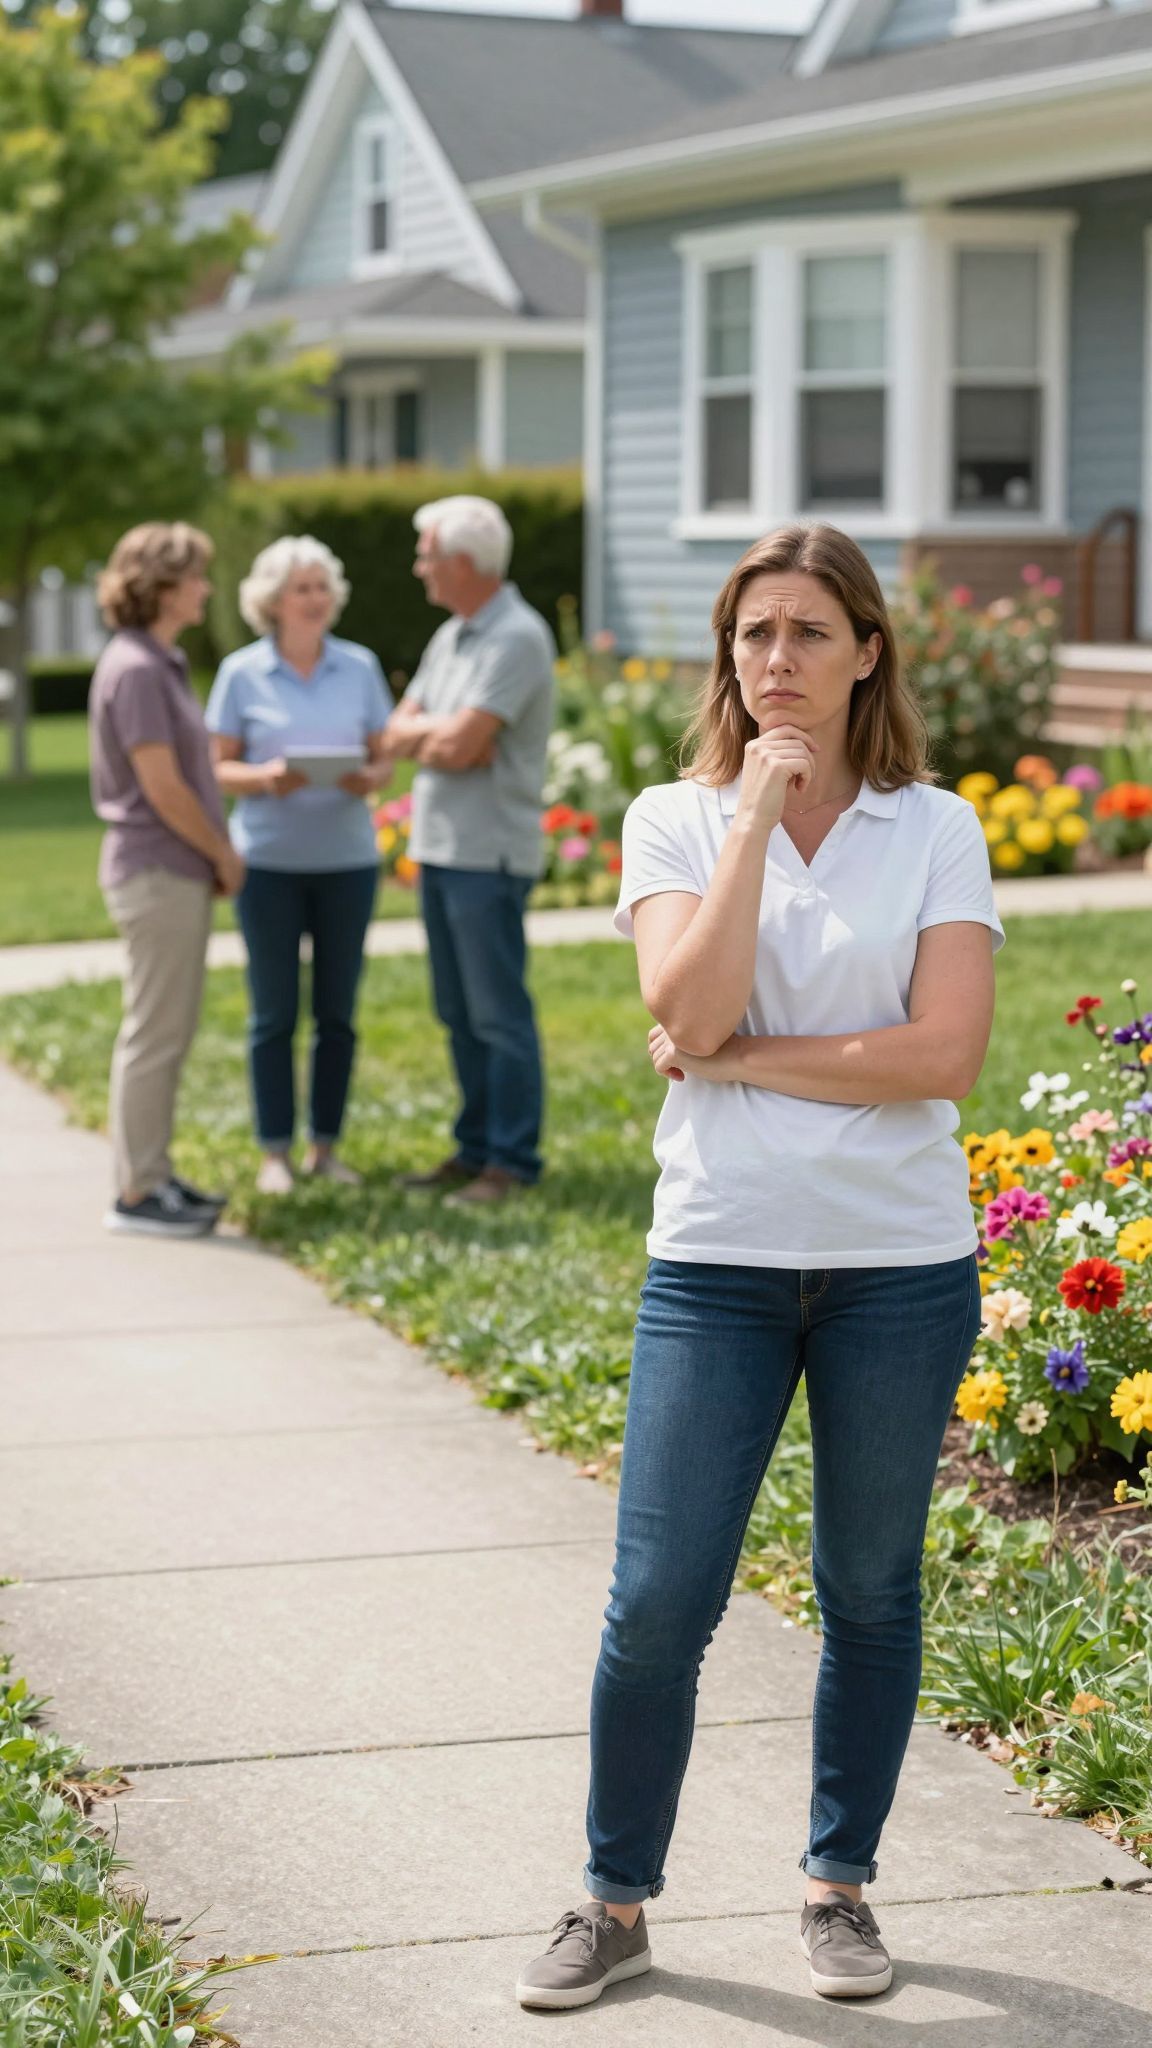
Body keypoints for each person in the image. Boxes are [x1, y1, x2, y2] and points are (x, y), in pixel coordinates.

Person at [515, 522, 1003, 2013]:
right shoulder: (671, 817)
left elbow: (944, 1057)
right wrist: (749, 821)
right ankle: (614, 1903)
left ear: (868, 651)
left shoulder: (937, 828)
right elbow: (687, 995)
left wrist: (744, 1061)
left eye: (805, 631)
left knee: (869, 1587)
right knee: (658, 1596)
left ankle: (838, 1886)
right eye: (751, 635)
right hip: (718, 1263)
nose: (775, 660)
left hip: (897, 1268)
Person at [205, 536, 393, 1194]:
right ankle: (274, 1153)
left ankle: (325, 1147)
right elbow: (217, 766)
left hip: (347, 863)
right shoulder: (241, 674)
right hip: (268, 866)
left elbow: (383, 756)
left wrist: (368, 779)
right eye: (301, 588)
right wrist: (264, 778)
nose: (315, 598)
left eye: (321, 586)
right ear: (273, 601)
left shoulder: (360, 667)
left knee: (337, 1014)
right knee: (274, 1014)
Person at [385, 495, 554, 1208]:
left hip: (489, 855)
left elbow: (459, 744)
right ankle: (474, 1145)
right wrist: (438, 738)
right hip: (444, 849)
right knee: (457, 1012)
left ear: (462, 561)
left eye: (426, 554)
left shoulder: (517, 636)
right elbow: (402, 729)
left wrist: (438, 737)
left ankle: (509, 1161)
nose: (419, 568)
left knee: (496, 1013)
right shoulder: (452, 635)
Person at [89, 521, 244, 1240]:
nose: (206, 588)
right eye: (196, 576)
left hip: (165, 870)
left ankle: (149, 1171)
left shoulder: (157, 660)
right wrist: (222, 850)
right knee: (155, 1032)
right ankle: (138, 1192)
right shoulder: (140, 669)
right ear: (163, 585)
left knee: (165, 1029)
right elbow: (163, 786)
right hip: (158, 868)